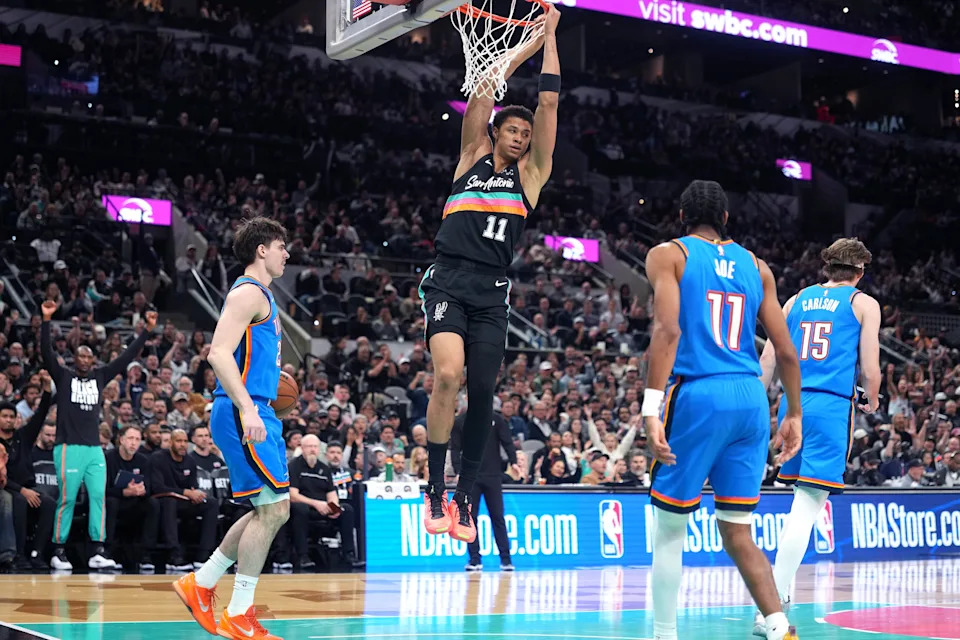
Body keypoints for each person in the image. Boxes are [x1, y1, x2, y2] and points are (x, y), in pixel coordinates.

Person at [418, 5, 562, 542]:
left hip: (492, 291)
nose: (523, 137)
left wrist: (548, 37)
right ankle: (434, 489)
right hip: (450, 279)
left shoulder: (532, 175)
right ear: (497, 131)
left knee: (483, 392)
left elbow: (548, 100)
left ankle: (464, 499)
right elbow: (484, 82)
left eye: (528, 133)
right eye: (515, 129)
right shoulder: (471, 154)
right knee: (448, 376)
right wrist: (520, 46)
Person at [642, 180, 803, 640]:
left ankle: (664, 634)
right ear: (727, 219)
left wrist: (652, 408)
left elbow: (667, 331)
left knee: (671, 529)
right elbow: (786, 351)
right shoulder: (758, 266)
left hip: (700, 394)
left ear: (681, 217)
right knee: (738, 530)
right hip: (751, 399)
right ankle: (777, 625)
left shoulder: (669, 254)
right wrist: (792, 412)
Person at [756, 237, 880, 636]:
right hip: (829, 407)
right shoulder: (863, 303)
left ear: (827, 268)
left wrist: (759, 403)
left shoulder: (795, 301)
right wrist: (872, 400)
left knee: (799, 502)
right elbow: (871, 368)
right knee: (807, 506)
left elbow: (770, 357)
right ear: (859, 272)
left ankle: (779, 600)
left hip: (792, 404)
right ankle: (770, 608)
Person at [172, 217, 290, 640]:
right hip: (243, 411)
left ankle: (201, 584)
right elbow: (218, 355)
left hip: (254, 407)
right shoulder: (247, 292)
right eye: (281, 246)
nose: (286, 253)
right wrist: (249, 407)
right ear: (262, 250)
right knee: (276, 508)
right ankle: (238, 614)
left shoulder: (262, 297)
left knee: (268, 508)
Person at [41, 299, 156, 571]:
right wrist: (46, 320)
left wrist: (147, 331)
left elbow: (126, 357)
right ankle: (58, 550)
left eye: (88, 356)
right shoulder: (64, 375)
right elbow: (46, 353)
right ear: (74, 358)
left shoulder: (101, 375)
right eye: (80, 356)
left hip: (94, 449)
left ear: (93, 360)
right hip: (69, 446)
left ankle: (97, 550)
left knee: (98, 497)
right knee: (67, 498)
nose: (84, 360)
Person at [450, 400, 519, 571]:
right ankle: (474, 559)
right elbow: (455, 448)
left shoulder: (496, 419)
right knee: (470, 518)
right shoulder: (459, 422)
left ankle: (506, 559)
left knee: (498, 517)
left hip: (493, 476)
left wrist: (514, 461)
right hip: (470, 476)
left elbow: (507, 441)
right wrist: (458, 470)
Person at [2, 371, 54, 570]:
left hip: (28, 486)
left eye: (12, 417)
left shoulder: (23, 436)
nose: (8, 420)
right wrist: (22, 490)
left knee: (49, 503)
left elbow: (41, 415)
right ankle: (19, 554)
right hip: (8, 488)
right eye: (4, 416)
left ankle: (37, 553)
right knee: (20, 502)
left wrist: (47, 389)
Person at [286, 434, 362, 570]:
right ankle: (303, 556)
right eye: (309, 447)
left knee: (347, 509)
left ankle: (349, 554)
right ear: (302, 448)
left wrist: (334, 507)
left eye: (315, 447)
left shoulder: (324, 469)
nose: (313, 450)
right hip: (306, 509)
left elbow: (332, 494)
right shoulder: (294, 466)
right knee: (299, 508)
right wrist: (316, 504)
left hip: (324, 509)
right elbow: (293, 495)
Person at [105, 425, 160, 572]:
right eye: (130, 438)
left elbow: (149, 487)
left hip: (135, 502)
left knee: (153, 504)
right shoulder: (108, 458)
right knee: (111, 502)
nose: (134, 443)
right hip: (114, 502)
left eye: (137, 439)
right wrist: (124, 492)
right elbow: (102, 490)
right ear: (121, 440)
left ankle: (146, 555)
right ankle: (107, 552)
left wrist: (142, 490)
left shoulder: (143, 460)